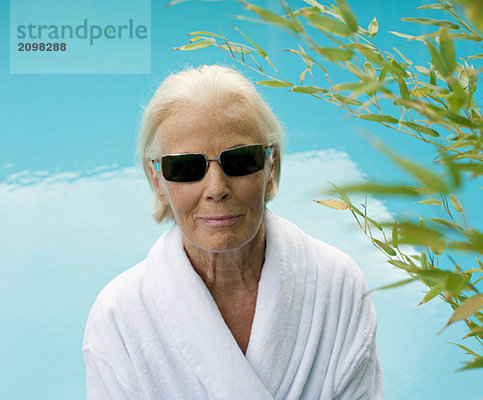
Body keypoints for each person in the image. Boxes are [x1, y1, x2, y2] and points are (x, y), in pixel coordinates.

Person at [82, 65, 383, 399]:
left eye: (240, 160)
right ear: (157, 180)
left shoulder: (338, 286)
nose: (216, 188)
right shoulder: (120, 317)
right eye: (186, 167)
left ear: (271, 167)